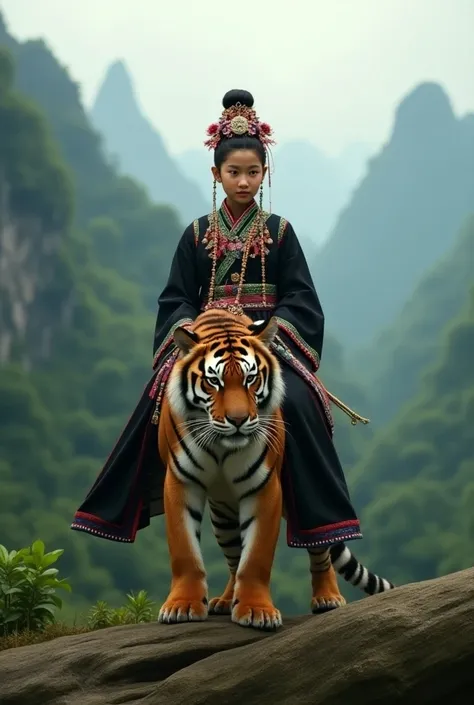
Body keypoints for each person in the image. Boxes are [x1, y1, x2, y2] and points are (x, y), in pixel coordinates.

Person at [71, 89, 363, 552]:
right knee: (155, 406)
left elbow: (302, 299)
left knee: (303, 406)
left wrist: (270, 334)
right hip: (207, 345)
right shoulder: (196, 235)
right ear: (216, 174)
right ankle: (120, 500)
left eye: (252, 172)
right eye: (233, 173)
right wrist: (195, 329)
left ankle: (321, 529)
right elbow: (176, 300)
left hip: (264, 345)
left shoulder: (279, 233)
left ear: (264, 173)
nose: (243, 182)